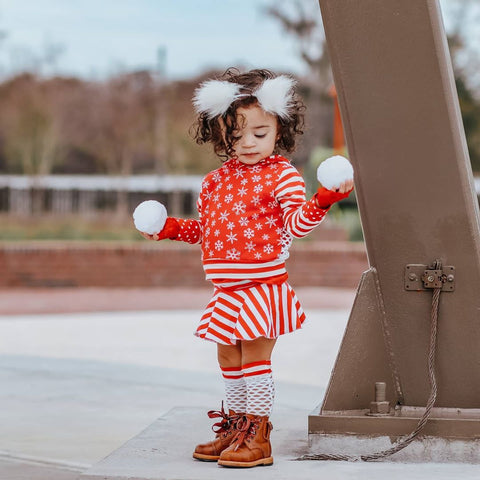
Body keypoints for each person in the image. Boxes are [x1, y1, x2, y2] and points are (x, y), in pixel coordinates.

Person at [140, 68, 353, 468]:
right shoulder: (214, 182)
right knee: (229, 362)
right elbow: (206, 231)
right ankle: (237, 428)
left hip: (261, 288)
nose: (248, 142)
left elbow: (295, 224)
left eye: (259, 132)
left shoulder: (282, 175)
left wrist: (323, 199)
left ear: (280, 129)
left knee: (254, 362)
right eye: (236, 134)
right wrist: (169, 228)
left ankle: (259, 434)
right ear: (220, 133)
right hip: (226, 293)